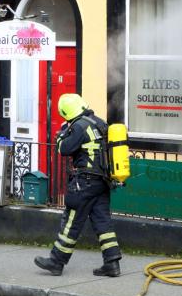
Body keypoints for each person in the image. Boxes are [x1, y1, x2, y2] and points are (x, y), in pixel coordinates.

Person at [34, 93, 122, 277]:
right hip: (103, 182)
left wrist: (60, 135)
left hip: (85, 182)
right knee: (102, 221)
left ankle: (56, 262)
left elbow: (63, 149)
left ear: (66, 112)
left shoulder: (79, 126)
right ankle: (112, 263)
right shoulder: (99, 122)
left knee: (71, 222)